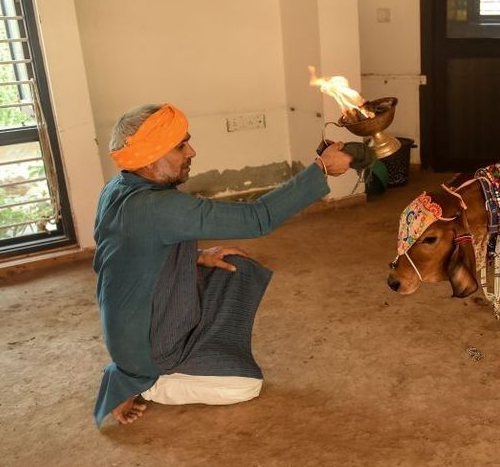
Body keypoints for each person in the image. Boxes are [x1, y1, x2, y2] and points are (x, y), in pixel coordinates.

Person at [93, 103, 352, 425]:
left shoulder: (117, 188)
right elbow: (256, 219)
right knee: (244, 385)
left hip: (137, 322)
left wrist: (199, 256)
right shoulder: (156, 206)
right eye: (180, 146)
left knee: (234, 267)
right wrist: (321, 170)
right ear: (150, 157)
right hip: (147, 347)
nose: (192, 151)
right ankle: (150, 382)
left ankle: (163, 363)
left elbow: (126, 255)